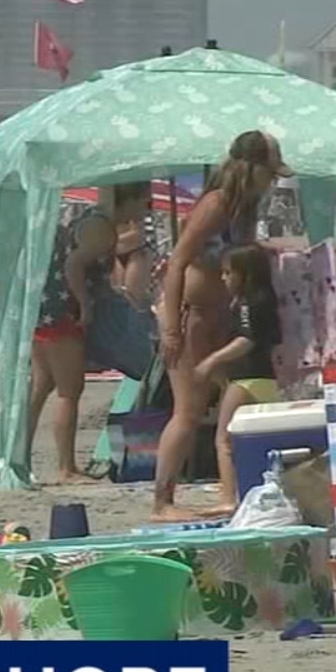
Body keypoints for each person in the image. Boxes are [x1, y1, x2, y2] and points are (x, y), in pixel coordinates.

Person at [153, 131, 289, 522]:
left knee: (204, 407)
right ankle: (162, 502)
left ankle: (216, 489)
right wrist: (171, 329)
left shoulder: (243, 208)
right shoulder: (216, 204)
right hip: (190, 315)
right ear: (252, 168)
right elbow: (178, 262)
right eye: (269, 173)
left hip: (215, 315)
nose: (272, 181)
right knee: (187, 410)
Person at [28, 187, 146, 485]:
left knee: (41, 388)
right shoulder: (101, 227)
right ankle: (65, 467)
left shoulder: (91, 220)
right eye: (143, 202)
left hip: (45, 309)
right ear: (129, 199)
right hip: (64, 312)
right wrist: (84, 304)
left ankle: (19, 457)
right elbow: (74, 265)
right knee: (69, 392)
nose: (145, 210)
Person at [194, 245, 283, 514]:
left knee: (224, 440)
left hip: (247, 379)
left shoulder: (247, 304)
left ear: (245, 274)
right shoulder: (266, 300)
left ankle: (228, 497)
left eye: (228, 273)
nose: (224, 278)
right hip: (265, 378)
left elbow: (247, 339)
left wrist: (212, 360)